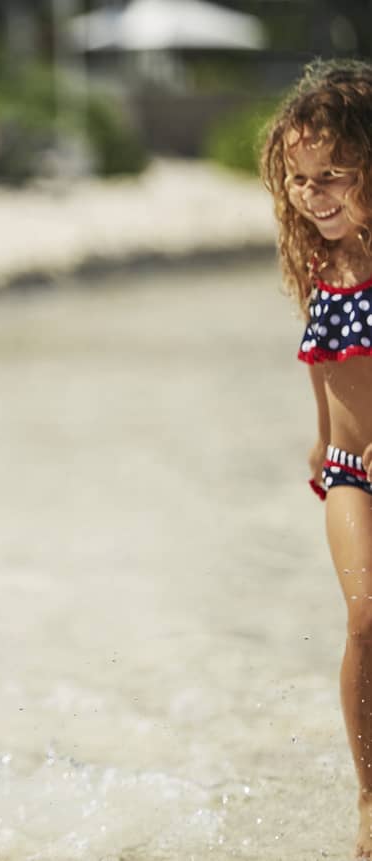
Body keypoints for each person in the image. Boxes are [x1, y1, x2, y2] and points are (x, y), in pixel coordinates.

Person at [262, 59, 372, 858]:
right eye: (301, 178)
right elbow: (324, 360)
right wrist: (318, 432)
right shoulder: (316, 264)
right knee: (366, 616)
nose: (314, 193)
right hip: (348, 469)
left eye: (333, 172)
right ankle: (371, 790)